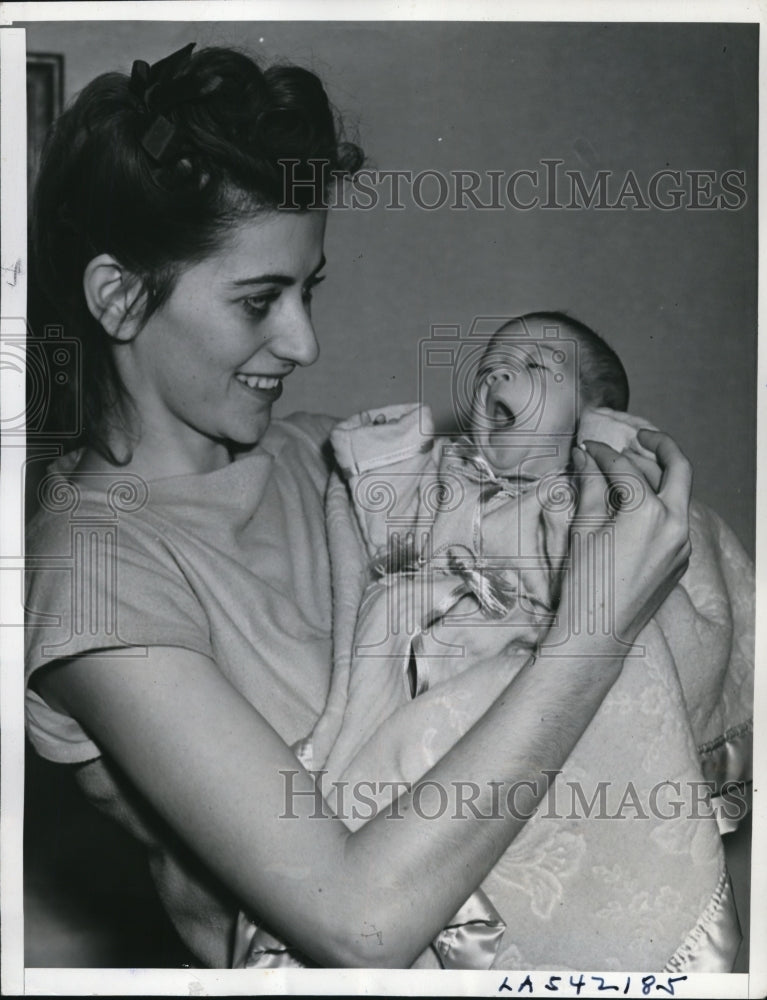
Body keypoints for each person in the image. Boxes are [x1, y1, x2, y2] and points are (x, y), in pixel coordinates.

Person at [25, 42, 699, 971]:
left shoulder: (333, 456)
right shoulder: (89, 577)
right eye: (258, 301)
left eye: (308, 290)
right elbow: (355, 923)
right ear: (119, 298)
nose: (303, 341)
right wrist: (597, 628)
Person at [232, 313, 753, 970]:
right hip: (426, 674)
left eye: (534, 366)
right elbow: (385, 518)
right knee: (380, 778)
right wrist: (389, 451)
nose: (497, 376)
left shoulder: (587, 496)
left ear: (592, 417)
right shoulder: (451, 475)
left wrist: (604, 451)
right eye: (489, 369)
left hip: (528, 679)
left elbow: (642, 593)